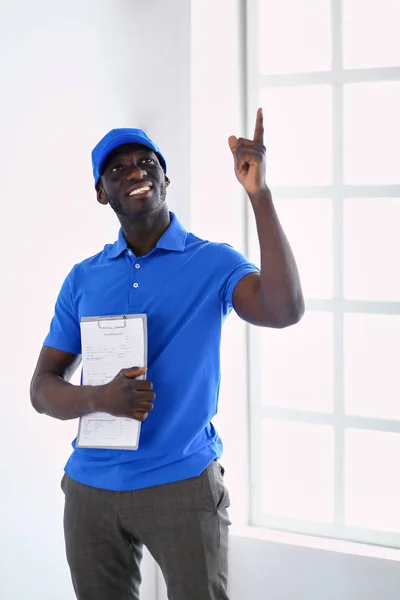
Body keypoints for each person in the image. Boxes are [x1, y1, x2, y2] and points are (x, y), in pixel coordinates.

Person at [30, 108, 304, 600]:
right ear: (100, 193)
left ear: (164, 176)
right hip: (90, 488)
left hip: (181, 482)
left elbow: (283, 309)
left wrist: (259, 195)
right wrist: (101, 398)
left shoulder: (213, 261)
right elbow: (42, 390)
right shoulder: (84, 277)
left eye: (145, 162)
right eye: (117, 169)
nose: (134, 172)